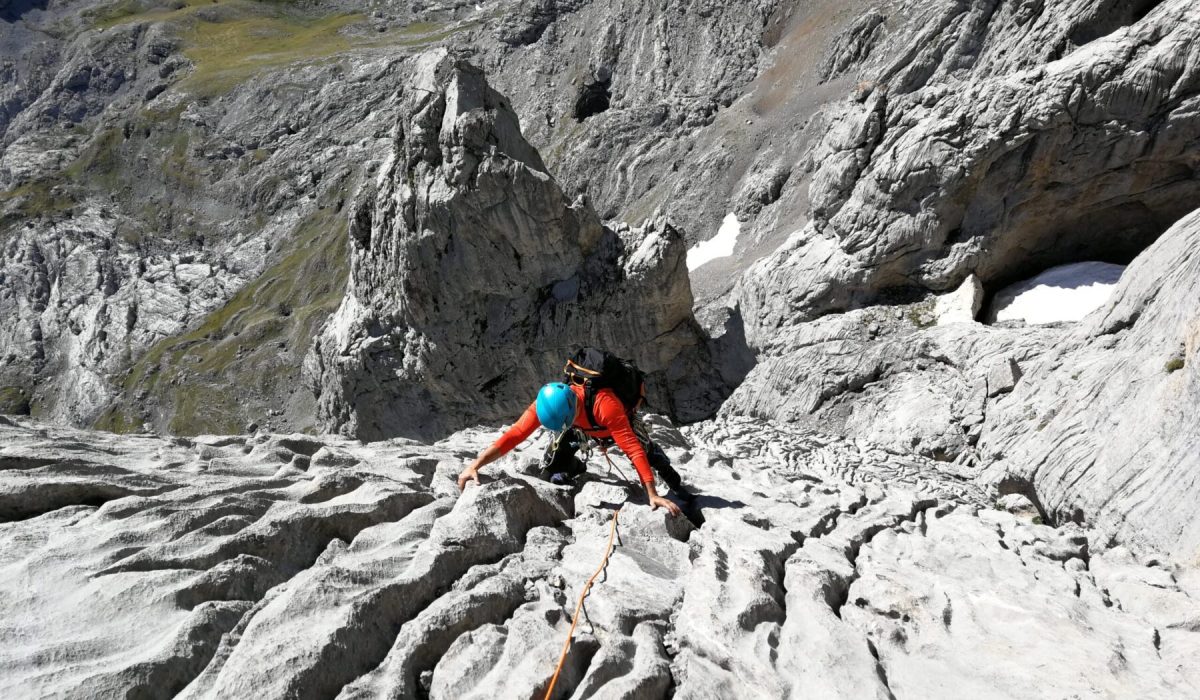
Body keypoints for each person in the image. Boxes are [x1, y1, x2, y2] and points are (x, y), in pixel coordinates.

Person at [457, 382, 691, 516]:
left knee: (648, 452)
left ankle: (677, 485)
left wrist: (651, 494)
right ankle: (577, 467)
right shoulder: (548, 403)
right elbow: (515, 434)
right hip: (580, 428)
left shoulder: (605, 406)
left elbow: (632, 449)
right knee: (549, 472)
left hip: (611, 426)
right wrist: (475, 465)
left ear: (572, 410)